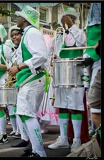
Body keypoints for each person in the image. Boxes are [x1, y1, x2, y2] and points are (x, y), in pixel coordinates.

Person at [8, 5, 48, 157]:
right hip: (29, 79)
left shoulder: (32, 33)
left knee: (27, 114)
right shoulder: (27, 34)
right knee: (25, 114)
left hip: (33, 78)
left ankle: (40, 152)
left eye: (19, 16)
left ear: (24, 19)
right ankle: (35, 150)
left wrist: (19, 67)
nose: (16, 18)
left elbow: (41, 56)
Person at [47, 7, 86, 152]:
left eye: (70, 18)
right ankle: (63, 138)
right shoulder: (57, 36)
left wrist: (72, 27)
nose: (66, 21)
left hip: (75, 74)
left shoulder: (79, 33)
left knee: (75, 107)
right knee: (62, 105)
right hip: (60, 76)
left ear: (74, 20)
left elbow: (82, 43)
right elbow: (50, 53)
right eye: (65, 18)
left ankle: (76, 139)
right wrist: (52, 60)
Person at [84, 3, 101, 138]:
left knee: (95, 103)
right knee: (92, 98)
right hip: (92, 61)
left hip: (99, 60)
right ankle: (95, 129)